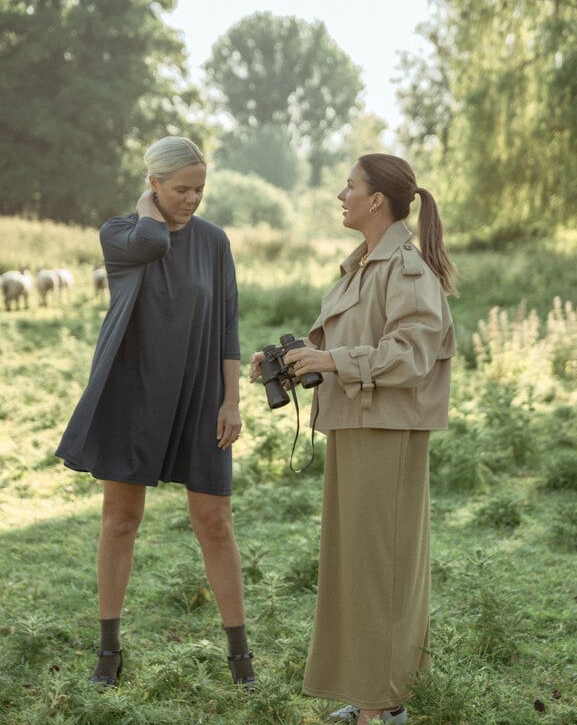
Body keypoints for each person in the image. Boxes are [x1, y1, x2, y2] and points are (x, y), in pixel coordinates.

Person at [250, 154, 457, 725]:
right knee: (357, 569)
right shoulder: (363, 265)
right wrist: (290, 364)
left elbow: (410, 353)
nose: (341, 195)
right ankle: (370, 693)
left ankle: (385, 707)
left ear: (375, 201)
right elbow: (350, 350)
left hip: (386, 430)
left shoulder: (407, 269)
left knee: (381, 567)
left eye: (350, 186)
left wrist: (332, 358)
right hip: (354, 425)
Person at [56, 136, 254, 689]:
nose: (193, 199)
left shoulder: (214, 241)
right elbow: (151, 243)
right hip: (133, 391)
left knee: (215, 521)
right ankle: (108, 651)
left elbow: (228, 324)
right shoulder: (120, 234)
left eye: (200, 189)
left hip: (199, 394)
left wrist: (231, 400)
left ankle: (241, 662)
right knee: (120, 519)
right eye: (181, 189)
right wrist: (148, 210)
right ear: (153, 184)